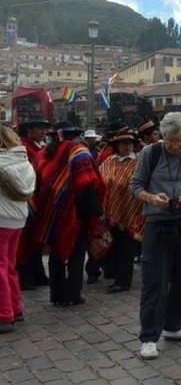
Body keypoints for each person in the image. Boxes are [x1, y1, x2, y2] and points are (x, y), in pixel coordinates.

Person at [131, 112, 181, 360]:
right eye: (170, 141)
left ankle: (175, 325)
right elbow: (135, 186)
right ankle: (148, 337)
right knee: (154, 280)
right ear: (162, 136)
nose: (175, 146)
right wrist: (152, 199)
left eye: (179, 141)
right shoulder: (150, 154)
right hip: (158, 223)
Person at [28, 122, 105, 306]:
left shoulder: (44, 155)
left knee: (56, 254)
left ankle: (57, 294)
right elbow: (88, 183)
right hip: (76, 212)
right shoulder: (79, 152)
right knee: (76, 254)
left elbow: (39, 185)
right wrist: (95, 214)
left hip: (51, 214)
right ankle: (73, 294)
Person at [98, 132, 145, 293]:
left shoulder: (138, 163)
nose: (127, 146)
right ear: (117, 146)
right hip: (111, 212)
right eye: (124, 143)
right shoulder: (108, 162)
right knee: (115, 246)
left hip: (132, 211)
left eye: (130, 143)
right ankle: (116, 276)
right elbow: (101, 182)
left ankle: (123, 281)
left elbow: (140, 184)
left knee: (127, 248)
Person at [0, 124, 36, 333]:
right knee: (9, 265)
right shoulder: (24, 161)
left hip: (1, 219)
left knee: (1, 267)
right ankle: (16, 307)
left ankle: (4, 315)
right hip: (18, 219)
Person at [16, 118, 50, 290]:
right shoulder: (23, 148)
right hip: (27, 198)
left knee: (36, 240)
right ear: (29, 131)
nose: (43, 132)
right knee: (25, 241)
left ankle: (38, 274)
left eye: (44, 129)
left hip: (39, 198)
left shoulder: (40, 147)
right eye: (39, 129)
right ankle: (26, 277)